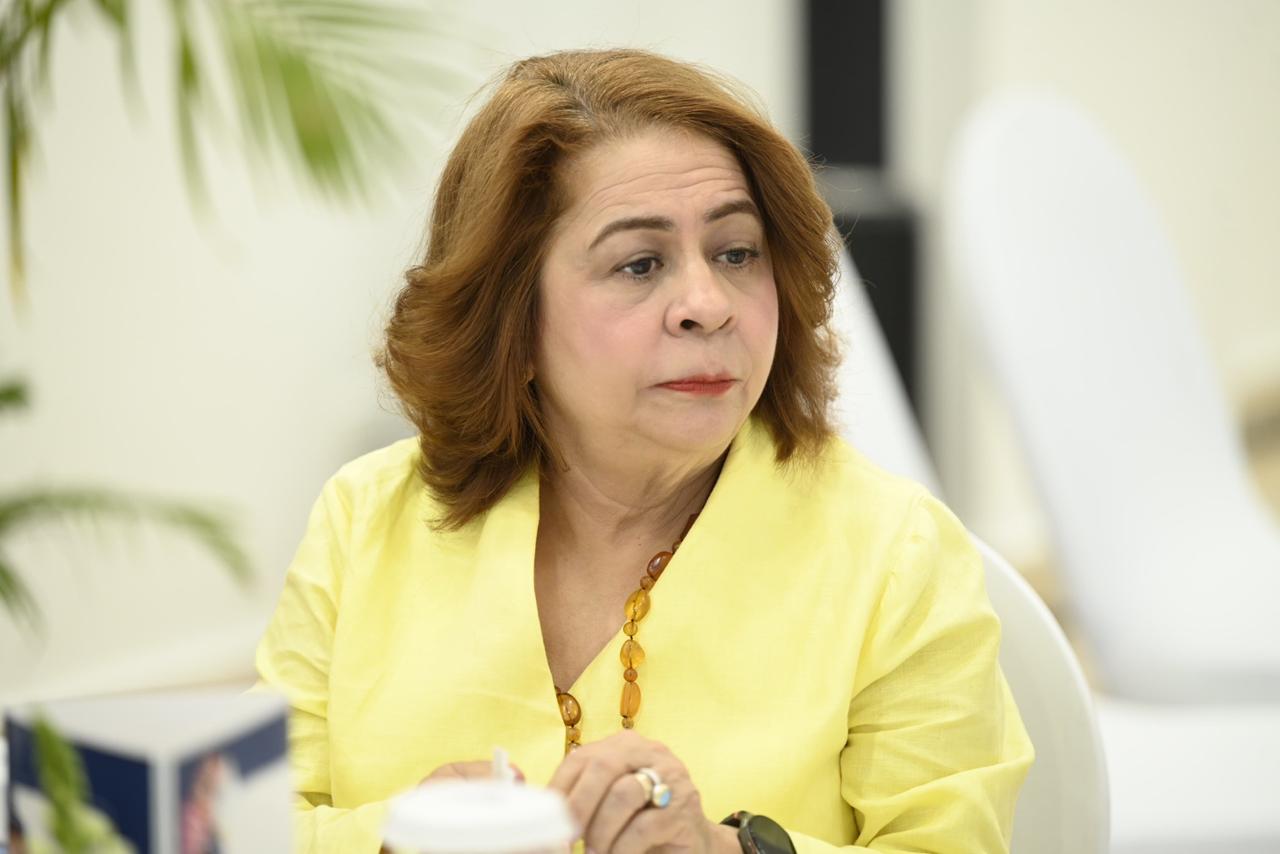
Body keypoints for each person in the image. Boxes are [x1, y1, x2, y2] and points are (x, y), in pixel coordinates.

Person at [255, 48, 1033, 854]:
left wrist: (722, 850)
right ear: (511, 320)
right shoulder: (365, 521)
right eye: (639, 264)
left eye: (736, 252)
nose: (707, 304)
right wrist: (397, 839)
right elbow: (234, 823)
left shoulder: (895, 553)